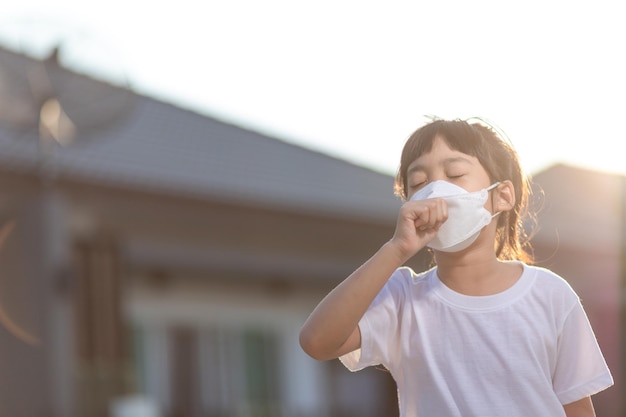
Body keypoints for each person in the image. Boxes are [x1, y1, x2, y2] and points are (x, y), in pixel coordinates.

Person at [299, 118, 613, 417]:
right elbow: (317, 341)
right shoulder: (403, 298)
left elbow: (578, 409)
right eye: (419, 182)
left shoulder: (551, 294)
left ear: (501, 196)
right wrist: (396, 249)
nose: (437, 191)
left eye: (455, 174)